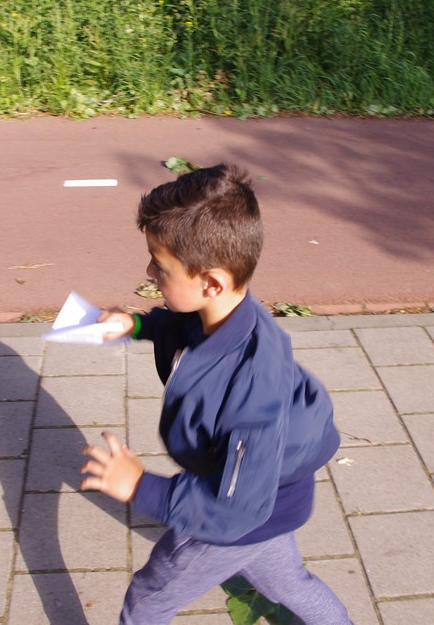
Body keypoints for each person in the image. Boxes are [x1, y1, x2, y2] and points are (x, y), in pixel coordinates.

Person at [81, 163, 353, 624]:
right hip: (270, 502)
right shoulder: (227, 314)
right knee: (287, 583)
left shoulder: (251, 391)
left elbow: (234, 508)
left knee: (149, 597)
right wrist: (137, 324)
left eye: (160, 266)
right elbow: (182, 325)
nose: (149, 271)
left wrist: (140, 487)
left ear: (211, 282)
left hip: (236, 513)